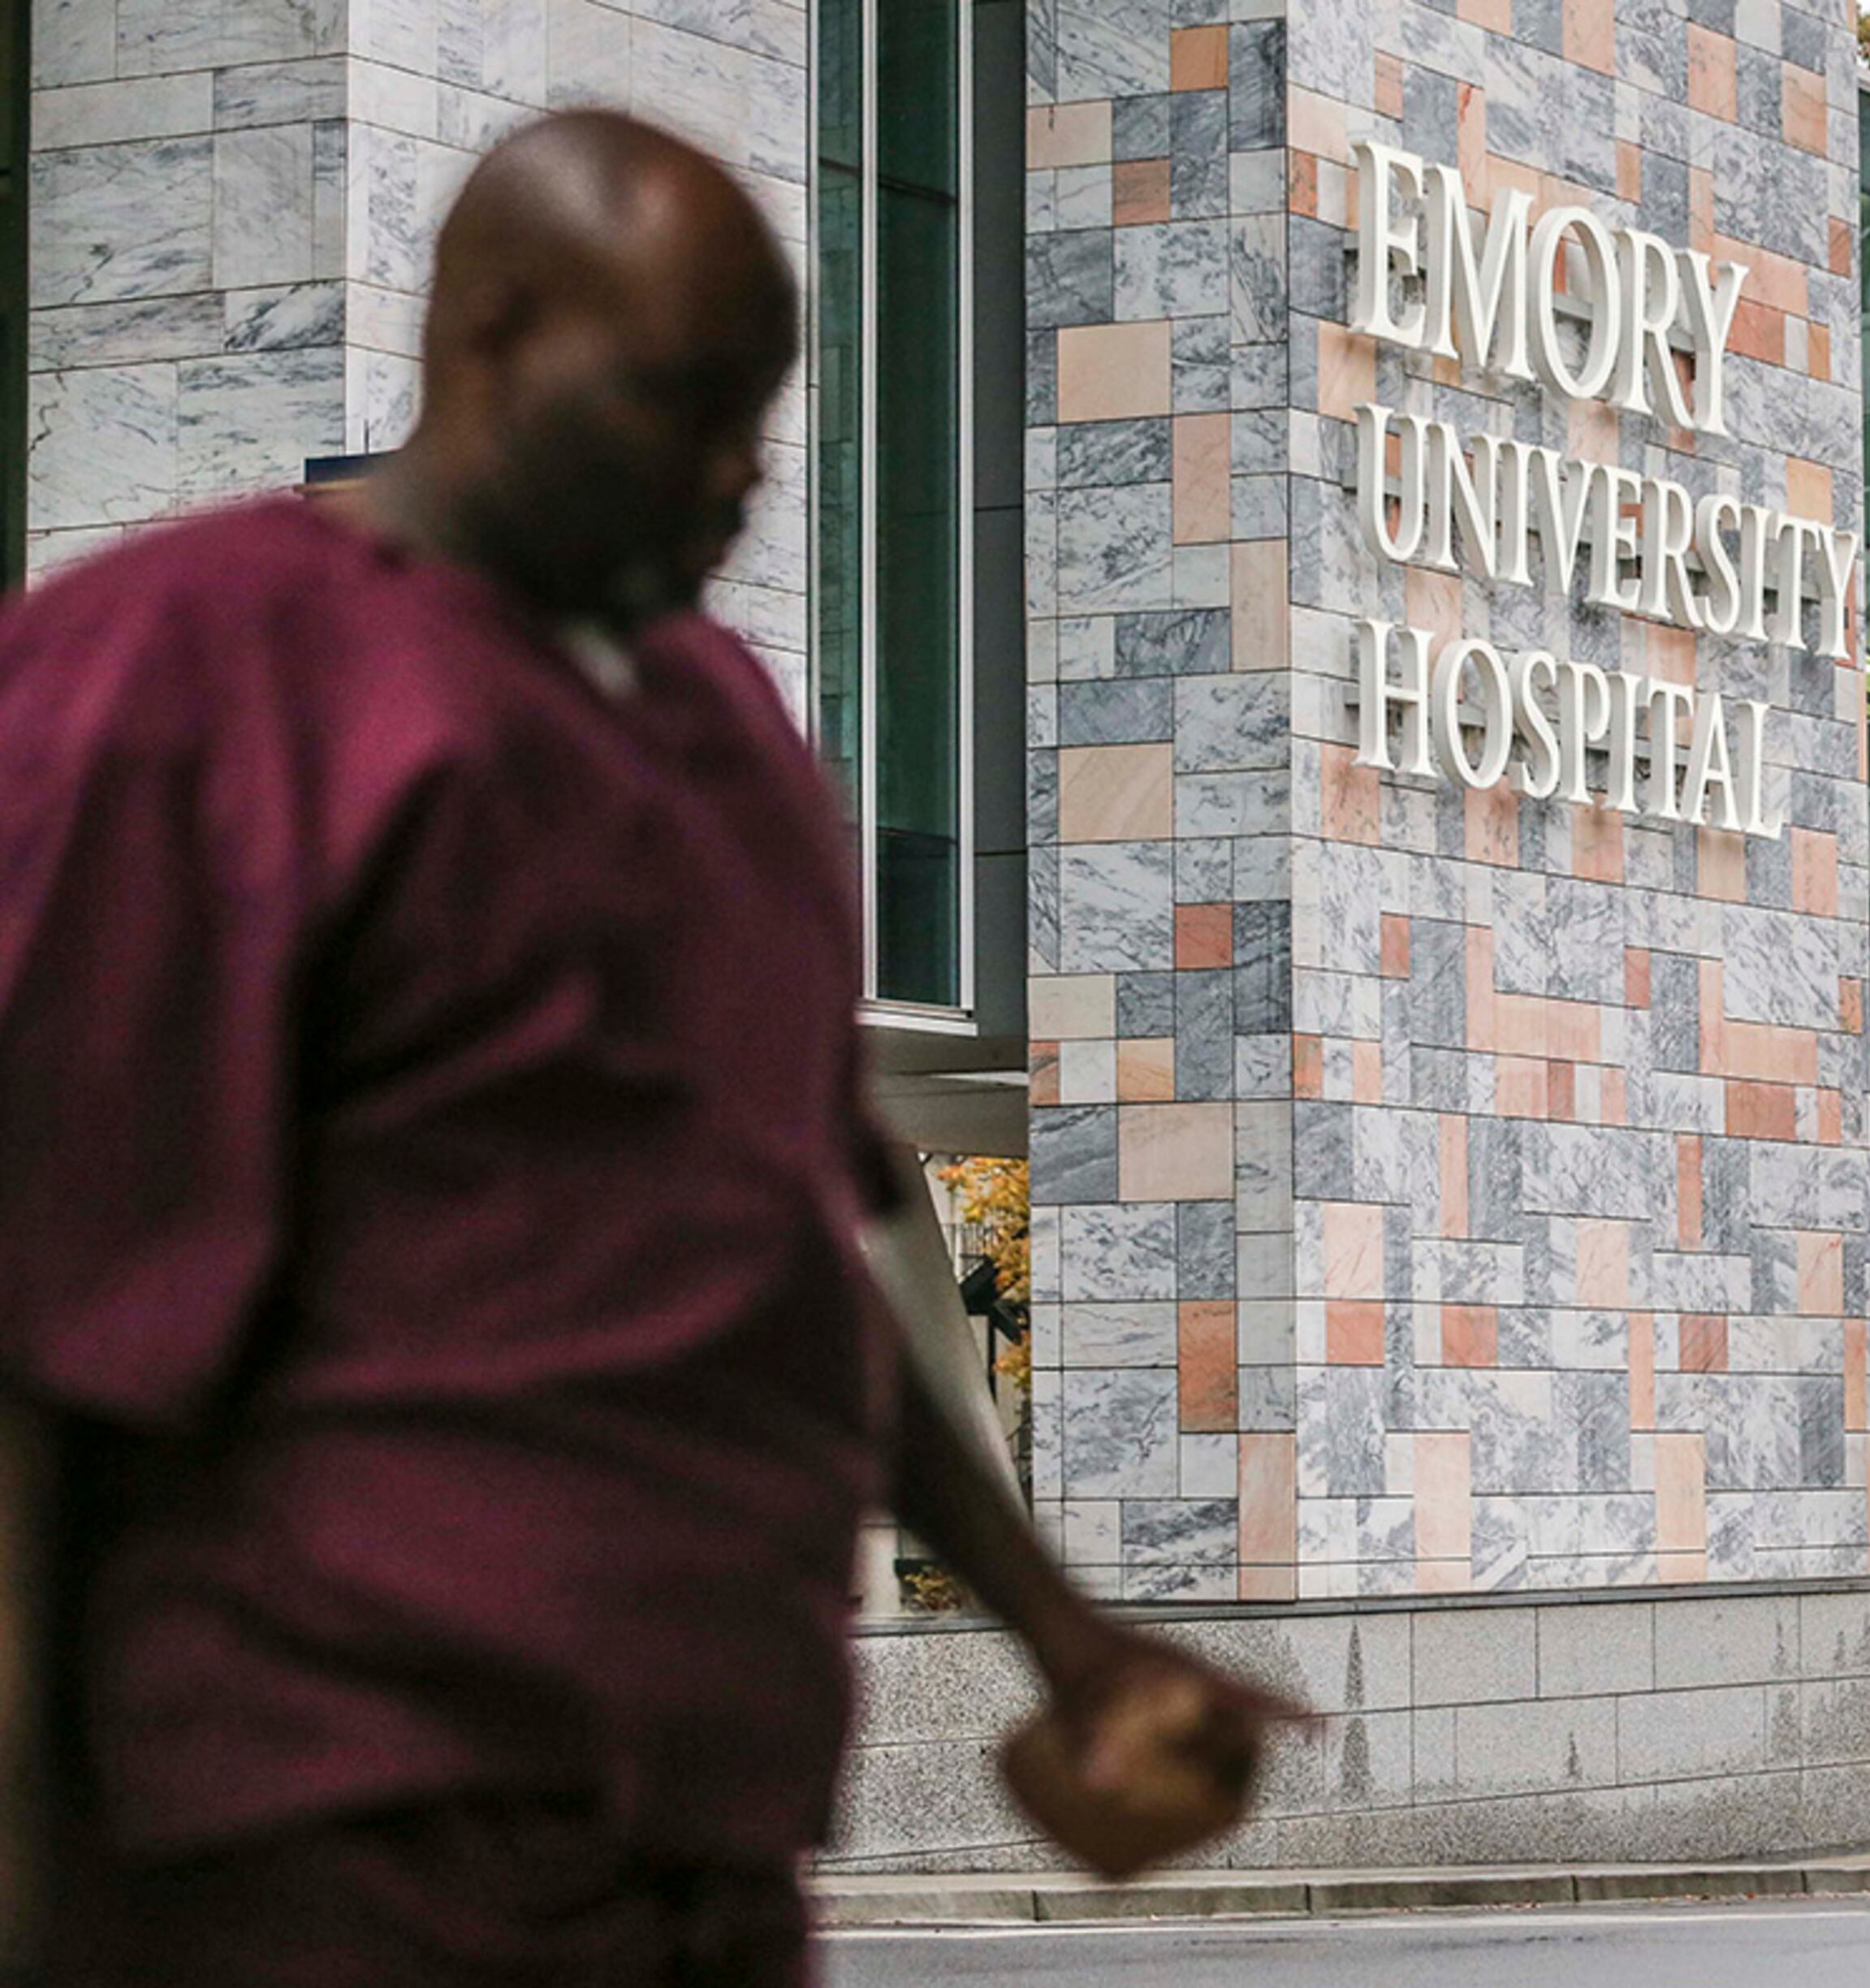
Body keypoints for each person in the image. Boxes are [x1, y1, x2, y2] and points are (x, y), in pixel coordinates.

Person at [0, 110, 1292, 1987]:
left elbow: (786, 1253)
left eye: (759, 416)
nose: (734, 474)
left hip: (704, 1836)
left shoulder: (728, 726)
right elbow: (31, 1324)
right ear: (492, 336)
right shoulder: (185, 674)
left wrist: (1065, 1635)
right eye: (681, 403)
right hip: (321, 1829)